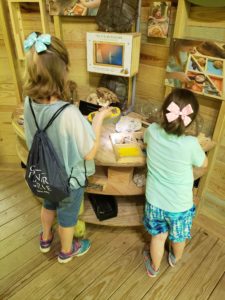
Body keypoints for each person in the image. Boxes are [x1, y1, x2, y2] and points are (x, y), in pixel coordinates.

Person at [23, 32, 113, 264]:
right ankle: (66, 251)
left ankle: (45, 238)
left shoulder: (28, 103)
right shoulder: (69, 113)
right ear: (62, 72)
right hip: (68, 180)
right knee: (67, 216)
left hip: (43, 174)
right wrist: (98, 120)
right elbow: (89, 153)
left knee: (47, 204)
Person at [143, 88, 208, 277]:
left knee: (158, 237)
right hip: (180, 205)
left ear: (164, 111)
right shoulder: (190, 144)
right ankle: (174, 259)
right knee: (179, 237)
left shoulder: (152, 131)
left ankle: (154, 268)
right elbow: (204, 163)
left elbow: (146, 141)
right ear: (191, 120)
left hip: (155, 201)